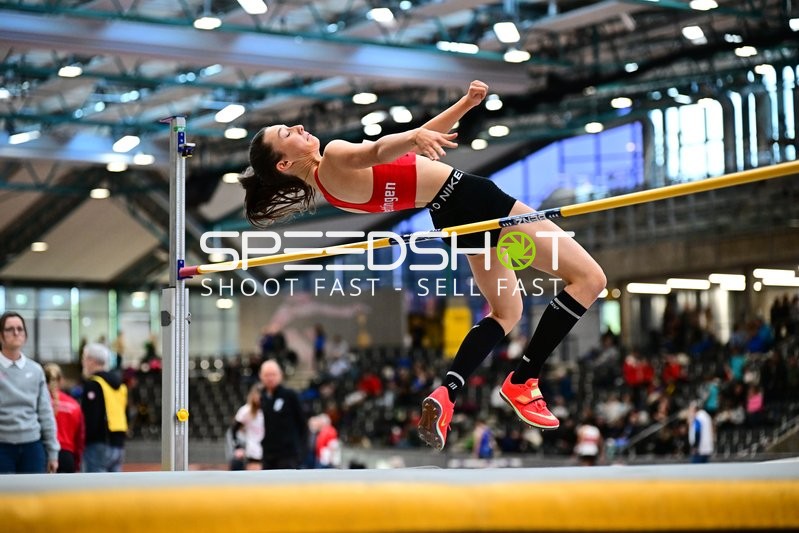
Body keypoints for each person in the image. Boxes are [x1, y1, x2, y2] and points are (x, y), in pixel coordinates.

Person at [239, 79, 606, 451]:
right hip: (472, 198)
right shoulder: (333, 156)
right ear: (284, 163)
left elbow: (415, 146)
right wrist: (416, 135)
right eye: (287, 133)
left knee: (506, 312)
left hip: (449, 217)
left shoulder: (332, 192)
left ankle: (447, 392)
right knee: (590, 279)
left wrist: (465, 104)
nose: (298, 127)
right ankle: (524, 379)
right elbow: (378, 150)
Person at [0, 312, 60, 473]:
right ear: (1, 336)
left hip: (32, 446)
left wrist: (53, 452)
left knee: (34, 490)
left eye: (20, 329)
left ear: (25, 335)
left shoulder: (35, 370)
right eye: (10, 329)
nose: (16, 333)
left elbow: (46, 412)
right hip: (2, 446)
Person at [81, 342, 128, 472]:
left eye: (84, 358)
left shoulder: (94, 384)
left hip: (99, 443)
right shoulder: (120, 385)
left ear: (92, 360)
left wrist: (84, 440)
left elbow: (91, 417)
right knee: (114, 483)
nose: (83, 362)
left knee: (96, 483)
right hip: (118, 442)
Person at [258, 360, 307, 469]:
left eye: (273, 374)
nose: (270, 378)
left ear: (280, 375)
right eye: (267, 375)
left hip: (288, 455)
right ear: (261, 376)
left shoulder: (290, 395)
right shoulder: (260, 397)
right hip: (267, 454)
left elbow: (302, 424)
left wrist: (302, 452)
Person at [44, 363, 85, 473]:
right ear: (61, 380)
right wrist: (77, 462)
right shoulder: (74, 405)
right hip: (67, 456)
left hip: (44, 454)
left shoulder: (37, 403)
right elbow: (80, 438)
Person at [231, 384, 265, 470]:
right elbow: (234, 430)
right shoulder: (246, 410)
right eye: (258, 394)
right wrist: (237, 447)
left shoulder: (271, 410)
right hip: (253, 452)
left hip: (270, 451)